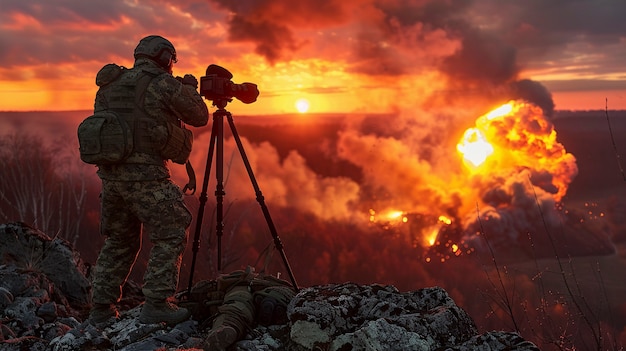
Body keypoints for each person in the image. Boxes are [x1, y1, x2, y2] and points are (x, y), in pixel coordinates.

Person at [87, 35, 209, 326]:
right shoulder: (162, 83)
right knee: (173, 229)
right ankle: (156, 302)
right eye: (171, 61)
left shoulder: (110, 83)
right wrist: (189, 88)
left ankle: (101, 310)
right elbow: (200, 115)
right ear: (165, 58)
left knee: (121, 240)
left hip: (112, 179)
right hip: (147, 178)